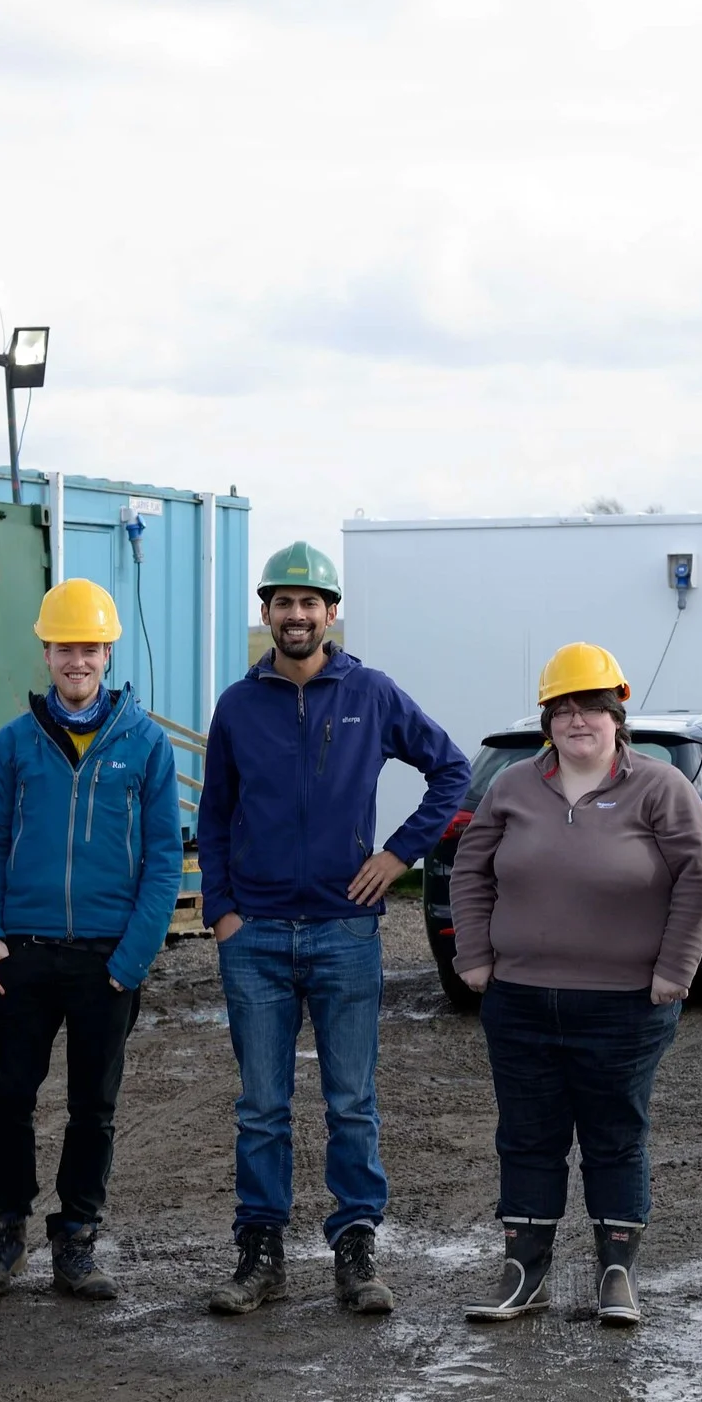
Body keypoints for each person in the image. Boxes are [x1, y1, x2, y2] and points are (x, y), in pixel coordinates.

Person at [198, 541, 471, 1317]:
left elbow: (450, 770)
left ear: (331, 612)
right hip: (253, 938)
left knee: (351, 1101)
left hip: (345, 932)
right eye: (282, 602)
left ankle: (355, 1248)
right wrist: (221, 910)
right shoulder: (238, 705)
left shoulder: (372, 693)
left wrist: (398, 855)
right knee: (261, 1106)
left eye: (309, 602)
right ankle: (261, 1254)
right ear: (267, 613)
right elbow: (214, 815)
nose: (295, 614)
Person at [447, 643, 702, 1327]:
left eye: (592, 707)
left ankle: (616, 1276)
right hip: (521, 1000)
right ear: (547, 720)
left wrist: (674, 972)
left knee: (615, 1136)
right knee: (527, 1137)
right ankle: (523, 1274)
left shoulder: (661, 788)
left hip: (625, 1006)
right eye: (562, 709)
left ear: (617, 714)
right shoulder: (510, 787)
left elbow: (699, 881)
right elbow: (469, 871)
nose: (578, 721)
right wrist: (472, 955)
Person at [0, 579, 183, 1302]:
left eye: (89, 647)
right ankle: (5, 1233)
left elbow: (162, 859)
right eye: (64, 647)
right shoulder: (13, 744)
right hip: (21, 954)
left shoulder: (144, 745)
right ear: (46, 652)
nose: (76, 660)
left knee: (94, 1107)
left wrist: (133, 957)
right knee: (9, 1100)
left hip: (105, 961)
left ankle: (78, 1239)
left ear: (107, 651)